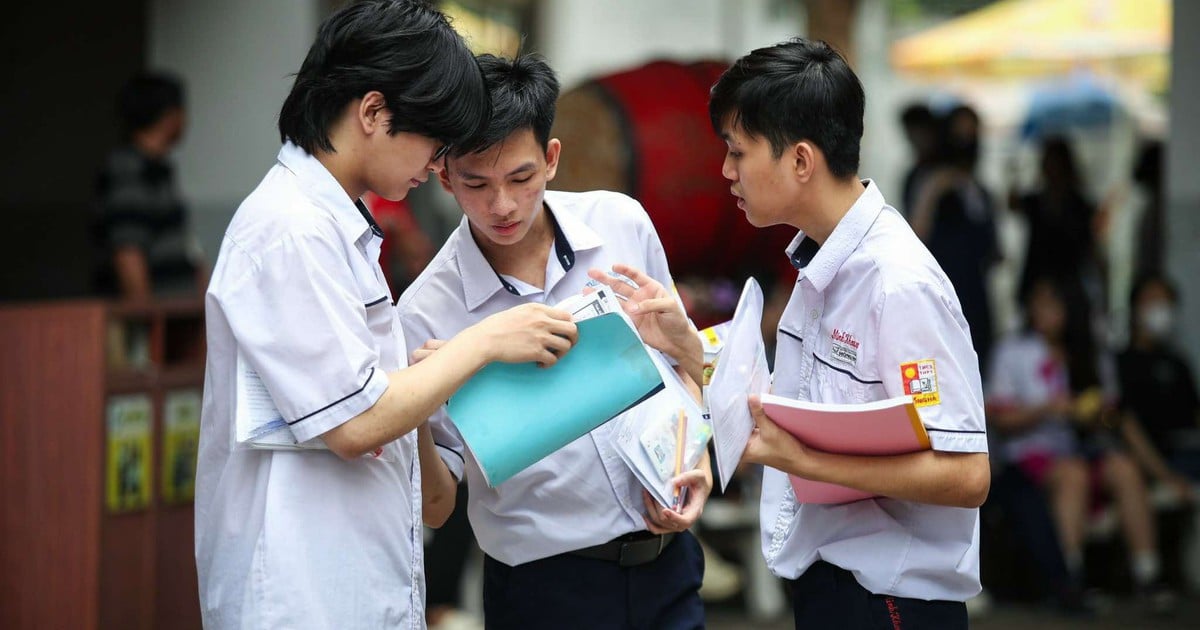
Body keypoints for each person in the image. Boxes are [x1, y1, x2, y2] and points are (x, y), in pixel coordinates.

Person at [194, 3, 580, 628]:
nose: (435, 166)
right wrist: (483, 342)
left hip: (346, 582)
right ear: (373, 113)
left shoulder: (331, 225)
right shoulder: (290, 230)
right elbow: (355, 422)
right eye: (433, 140)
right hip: (302, 594)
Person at [396, 53, 711, 630]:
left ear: (552, 157)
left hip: (670, 568)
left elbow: (678, 367)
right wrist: (414, 400)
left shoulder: (622, 224)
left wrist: (698, 462)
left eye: (521, 177)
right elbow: (438, 507)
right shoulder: (424, 312)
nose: (503, 205)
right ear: (443, 176)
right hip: (543, 592)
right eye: (475, 183)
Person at [709, 38, 991, 629]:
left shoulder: (897, 284)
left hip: (892, 603)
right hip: (831, 587)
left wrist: (807, 460)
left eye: (738, 152)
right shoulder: (821, 264)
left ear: (801, 161)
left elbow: (966, 474)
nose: (727, 172)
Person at [987, 277, 1173, 609]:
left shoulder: (1088, 351)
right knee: (1074, 474)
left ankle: (1148, 576)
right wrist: (1047, 409)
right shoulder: (1013, 350)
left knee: (1124, 468)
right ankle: (1068, 579)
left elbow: (1115, 417)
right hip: (1028, 455)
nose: (1042, 312)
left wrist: (1095, 413)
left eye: (1052, 304)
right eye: (1037, 303)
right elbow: (998, 419)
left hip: (1080, 448)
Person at [94, 72, 205, 300]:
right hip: (155, 324)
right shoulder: (129, 174)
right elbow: (128, 253)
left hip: (175, 318)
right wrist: (147, 323)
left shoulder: (158, 171)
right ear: (170, 116)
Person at [909, 104, 999, 369]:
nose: (966, 141)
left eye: (972, 134)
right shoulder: (926, 178)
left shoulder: (978, 188)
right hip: (938, 293)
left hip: (975, 295)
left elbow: (992, 248)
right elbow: (915, 233)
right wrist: (937, 187)